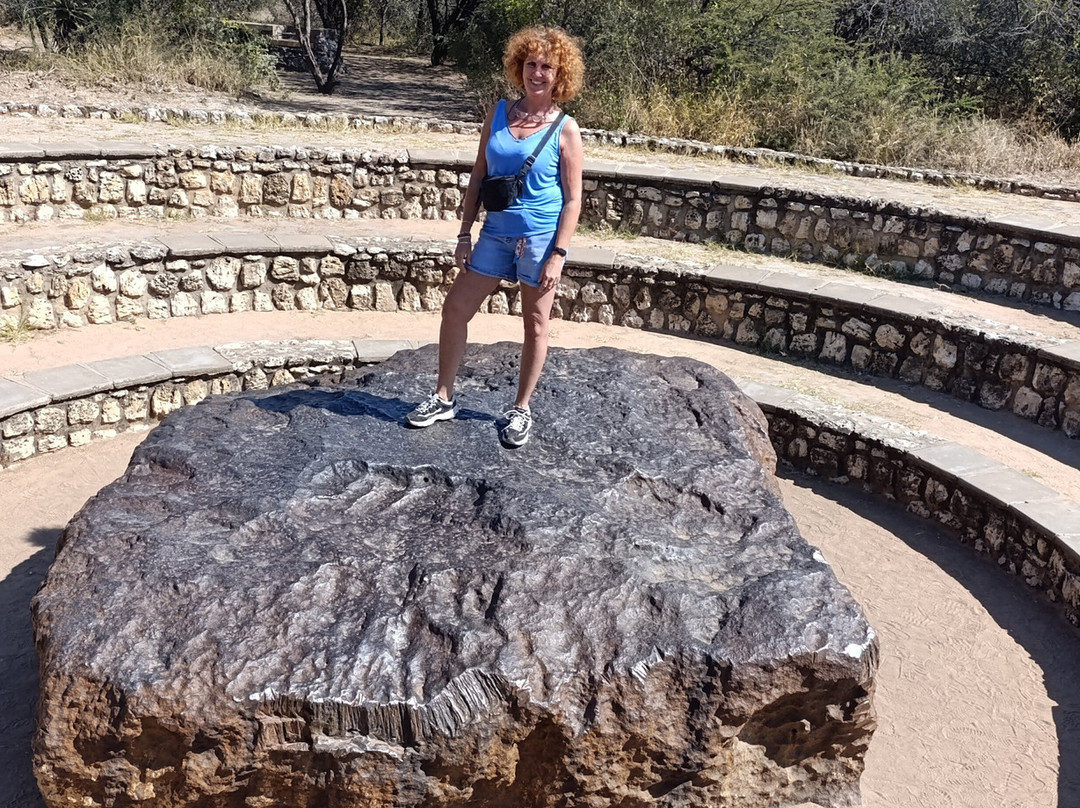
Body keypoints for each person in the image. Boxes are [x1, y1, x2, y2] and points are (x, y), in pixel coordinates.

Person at [405, 24, 585, 447]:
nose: (537, 73)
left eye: (547, 66)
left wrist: (558, 254)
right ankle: (443, 397)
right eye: (530, 64)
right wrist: (464, 232)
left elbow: (574, 199)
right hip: (495, 234)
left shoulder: (566, 129)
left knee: (536, 325)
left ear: (560, 75)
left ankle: (521, 409)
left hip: (539, 239)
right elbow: (479, 176)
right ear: (518, 65)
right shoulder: (500, 112)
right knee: (455, 309)